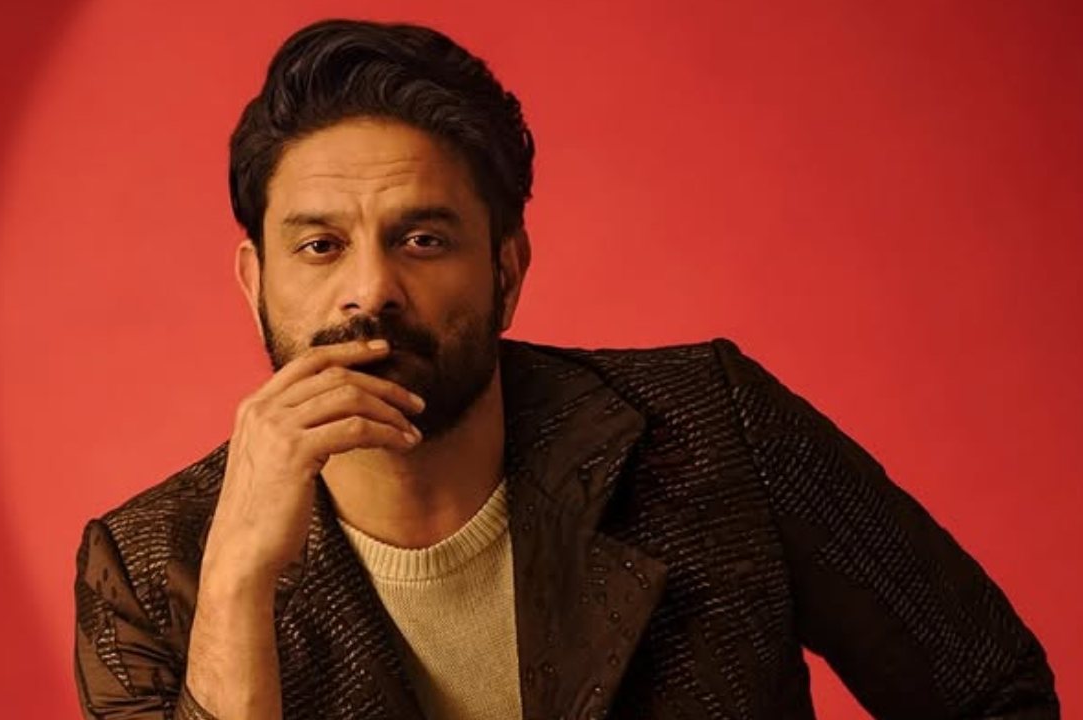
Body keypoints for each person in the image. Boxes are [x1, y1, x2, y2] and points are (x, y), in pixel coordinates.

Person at [72, 18, 1058, 720]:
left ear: (506, 271)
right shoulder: (147, 567)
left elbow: (992, 692)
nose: (369, 292)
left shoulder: (716, 429)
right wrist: (236, 582)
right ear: (254, 283)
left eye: (422, 239)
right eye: (320, 246)